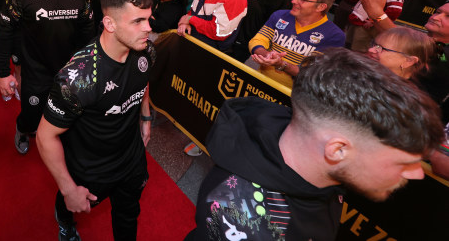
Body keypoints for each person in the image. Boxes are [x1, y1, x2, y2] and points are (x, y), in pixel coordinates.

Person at [186, 48, 444, 241]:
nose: (417, 173)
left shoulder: (308, 149)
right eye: (404, 161)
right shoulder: (251, 225)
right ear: (337, 150)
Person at [36, 0, 154, 241]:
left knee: (128, 214)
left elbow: (143, 82)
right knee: (71, 206)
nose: (148, 29)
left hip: (132, 157)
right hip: (92, 168)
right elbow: (45, 137)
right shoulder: (78, 79)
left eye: (148, 19)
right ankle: (65, 220)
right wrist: (68, 189)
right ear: (109, 23)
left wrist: (145, 116)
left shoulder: (146, 52)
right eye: (138, 21)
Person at [0, 0, 94, 154]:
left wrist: (87, 67)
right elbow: (6, 29)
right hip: (35, 71)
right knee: (31, 118)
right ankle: (22, 129)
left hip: (71, 71)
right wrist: (3, 72)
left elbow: (88, 31)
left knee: (68, 116)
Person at [250, 0, 345, 88]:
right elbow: (256, 41)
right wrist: (267, 55)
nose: (294, 1)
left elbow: (312, 74)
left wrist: (282, 64)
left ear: (320, 7)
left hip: (293, 97)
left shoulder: (334, 35)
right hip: (258, 82)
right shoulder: (280, 15)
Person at [367, 27, 436, 80]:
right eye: (374, 44)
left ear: (409, 61)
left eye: (381, 48)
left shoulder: (397, 96)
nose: (371, 50)